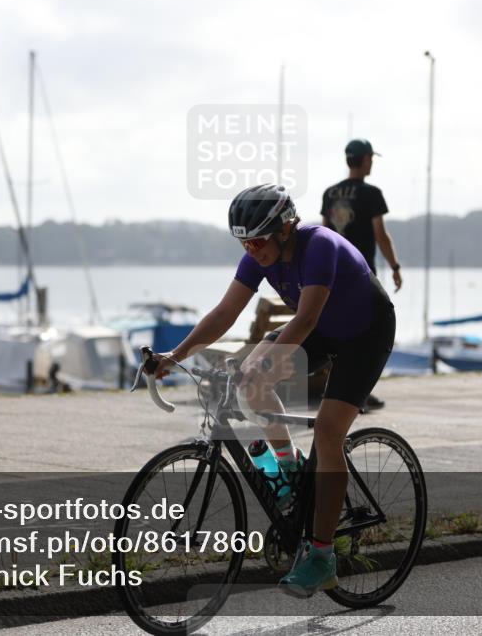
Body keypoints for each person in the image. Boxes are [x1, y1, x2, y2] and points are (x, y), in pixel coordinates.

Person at [150, 184, 396, 598]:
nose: (252, 250)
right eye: (244, 243)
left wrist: (266, 362)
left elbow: (305, 319)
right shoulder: (257, 258)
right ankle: (291, 468)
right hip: (322, 329)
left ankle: (321, 556)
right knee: (250, 381)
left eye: (258, 240)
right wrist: (174, 356)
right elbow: (226, 313)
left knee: (328, 432)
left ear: (285, 228)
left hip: (364, 334)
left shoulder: (318, 246)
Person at [321, 138, 402, 290]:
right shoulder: (372, 193)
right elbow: (381, 236)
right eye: (371, 158)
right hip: (362, 272)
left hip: (332, 272)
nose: (372, 163)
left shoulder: (329, 193)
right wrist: (395, 267)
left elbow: (324, 234)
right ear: (365, 159)